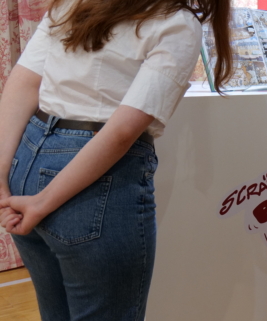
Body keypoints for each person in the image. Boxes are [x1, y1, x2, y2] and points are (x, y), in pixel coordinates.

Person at [0, 0, 233, 319]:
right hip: (95, 178)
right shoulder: (175, 23)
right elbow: (122, 132)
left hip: (26, 159)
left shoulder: (76, 3)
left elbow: (23, 83)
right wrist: (42, 202)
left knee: (56, 311)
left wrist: (3, 175)